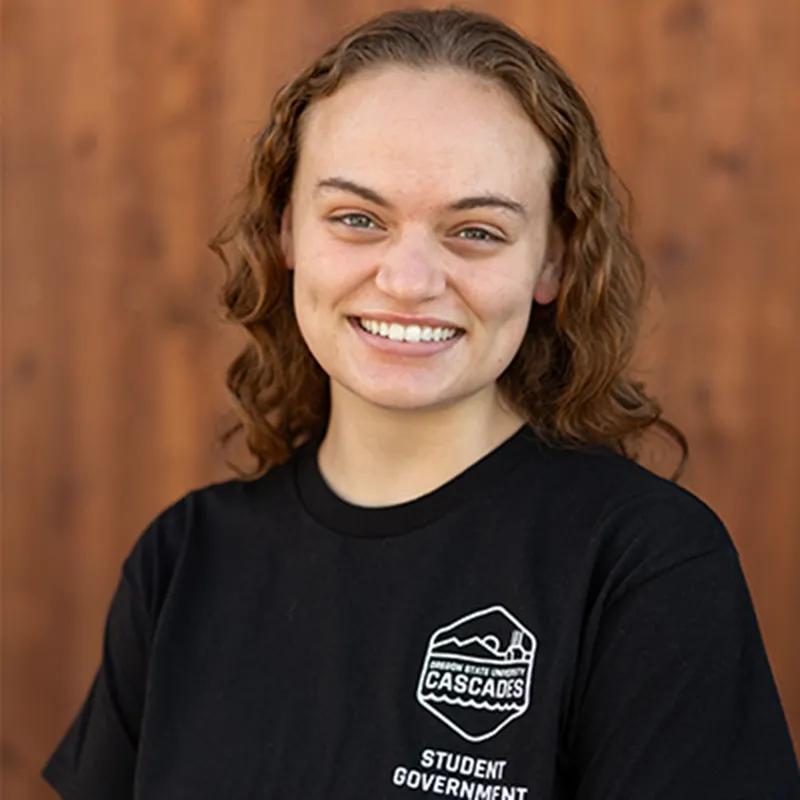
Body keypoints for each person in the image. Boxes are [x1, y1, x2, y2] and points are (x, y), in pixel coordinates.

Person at [42, 7, 799, 799]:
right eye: (358, 219)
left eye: (475, 231)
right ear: (286, 234)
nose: (407, 281)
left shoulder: (642, 566)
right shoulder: (183, 563)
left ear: (554, 263)